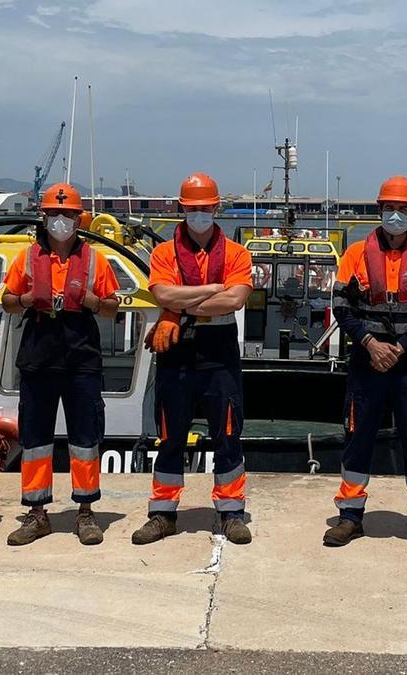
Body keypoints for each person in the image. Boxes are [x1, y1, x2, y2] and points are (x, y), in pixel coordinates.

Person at [323, 176, 407, 554]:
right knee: (357, 437)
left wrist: (398, 348)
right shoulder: (355, 255)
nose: (396, 215)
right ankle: (351, 514)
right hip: (366, 362)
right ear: (380, 211)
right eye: (390, 208)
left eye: (404, 209)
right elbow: (341, 307)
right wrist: (369, 343)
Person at [131, 172, 254, 546]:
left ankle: (231, 512)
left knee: (228, 434)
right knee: (170, 437)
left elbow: (235, 300)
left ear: (216, 208)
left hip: (219, 355)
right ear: (182, 210)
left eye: (205, 208)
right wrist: (213, 289)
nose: (200, 214)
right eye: (193, 209)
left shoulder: (237, 253)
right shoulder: (164, 253)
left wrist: (181, 308)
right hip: (178, 357)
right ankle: (163, 513)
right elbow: (163, 293)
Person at [0, 183, 121, 546]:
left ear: (78, 218)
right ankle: (36, 513)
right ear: (45, 217)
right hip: (38, 355)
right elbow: (6, 301)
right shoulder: (26, 257)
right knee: (35, 438)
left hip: (81, 356)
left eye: (67, 214)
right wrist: (25, 298)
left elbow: (114, 305)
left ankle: (85, 512)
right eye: (55, 214)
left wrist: (91, 301)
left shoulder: (97, 260)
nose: (61, 220)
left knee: (85, 438)